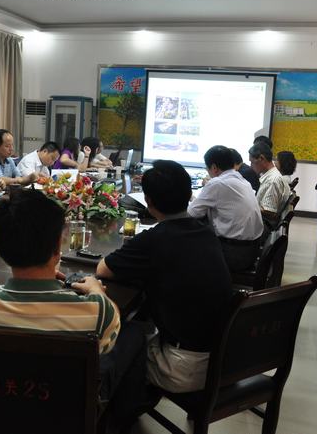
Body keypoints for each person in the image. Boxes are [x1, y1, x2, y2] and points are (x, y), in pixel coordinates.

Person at [0, 189, 146, 428]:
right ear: (58, 246)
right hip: (67, 414)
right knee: (134, 334)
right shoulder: (97, 312)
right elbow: (113, 319)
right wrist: (96, 291)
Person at [97, 160, 233, 393]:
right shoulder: (207, 233)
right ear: (189, 195)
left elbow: (102, 269)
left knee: (123, 333)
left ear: (148, 201)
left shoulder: (154, 240)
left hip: (184, 366)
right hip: (223, 358)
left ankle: (114, 408)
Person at [188, 146, 263, 272]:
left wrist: (190, 198)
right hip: (251, 250)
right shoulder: (242, 180)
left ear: (214, 167)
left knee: (186, 251)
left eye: (207, 169)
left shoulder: (217, 183)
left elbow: (191, 214)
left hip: (234, 254)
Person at [249, 142, 291, 228]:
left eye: (252, 162)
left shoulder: (272, 180)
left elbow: (270, 212)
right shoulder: (272, 176)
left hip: (262, 226)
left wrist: (248, 206)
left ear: (261, 158)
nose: (250, 166)